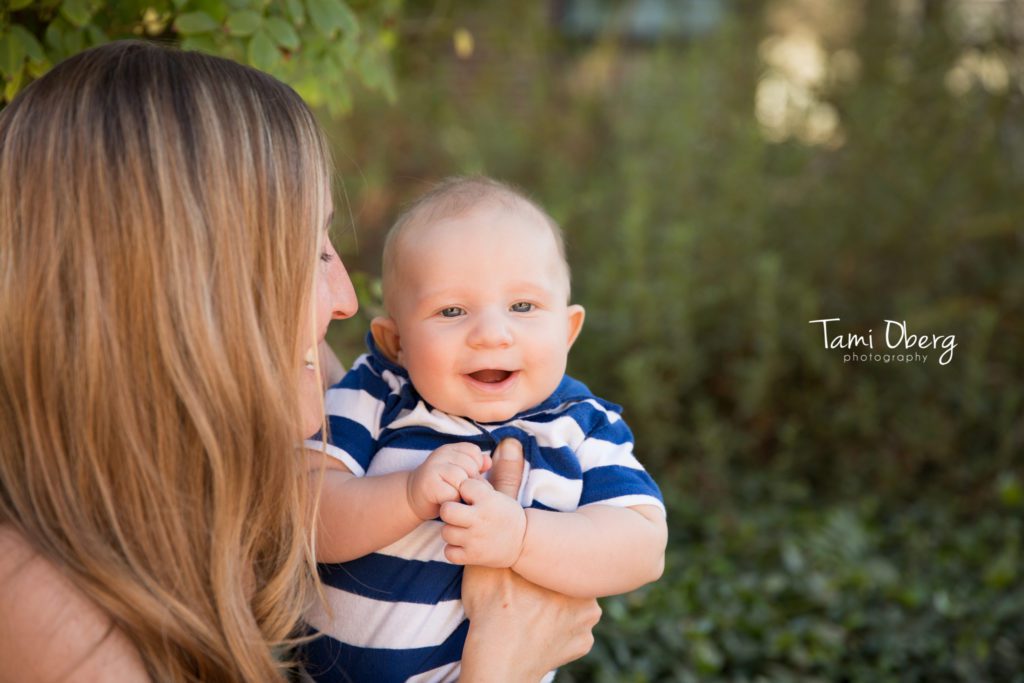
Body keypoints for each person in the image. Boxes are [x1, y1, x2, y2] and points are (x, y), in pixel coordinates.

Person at [0, 41, 600, 682]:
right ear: (178, 292)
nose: (344, 300)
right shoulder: (40, 606)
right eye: (310, 253)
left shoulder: (217, 486)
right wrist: (500, 665)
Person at [303, 177, 668, 682]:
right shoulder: (377, 391)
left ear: (568, 330)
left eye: (523, 307)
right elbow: (305, 514)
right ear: (396, 341)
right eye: (452, 311)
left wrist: (520, 536)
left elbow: (643, 547)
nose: (493, 335)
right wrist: (407, 495)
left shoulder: (579, 427)